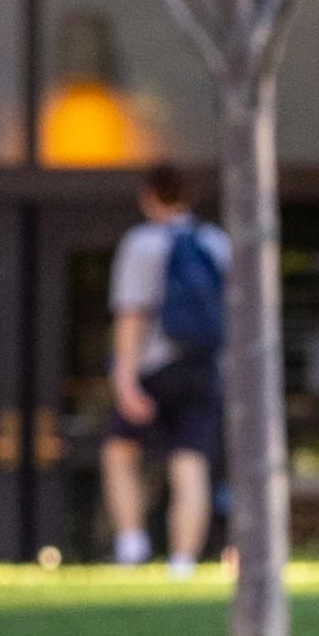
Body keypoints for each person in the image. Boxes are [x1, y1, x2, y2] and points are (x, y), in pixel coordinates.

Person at [104, 165, 229, 573]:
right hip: (204, 367)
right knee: (190, 462)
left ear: (149, 197)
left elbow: (132, 314)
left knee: (120, 452)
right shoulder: (216, 243)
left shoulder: (142, 243)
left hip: (155, 365)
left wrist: (124, 378)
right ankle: (182, 560)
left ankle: (131, 543)